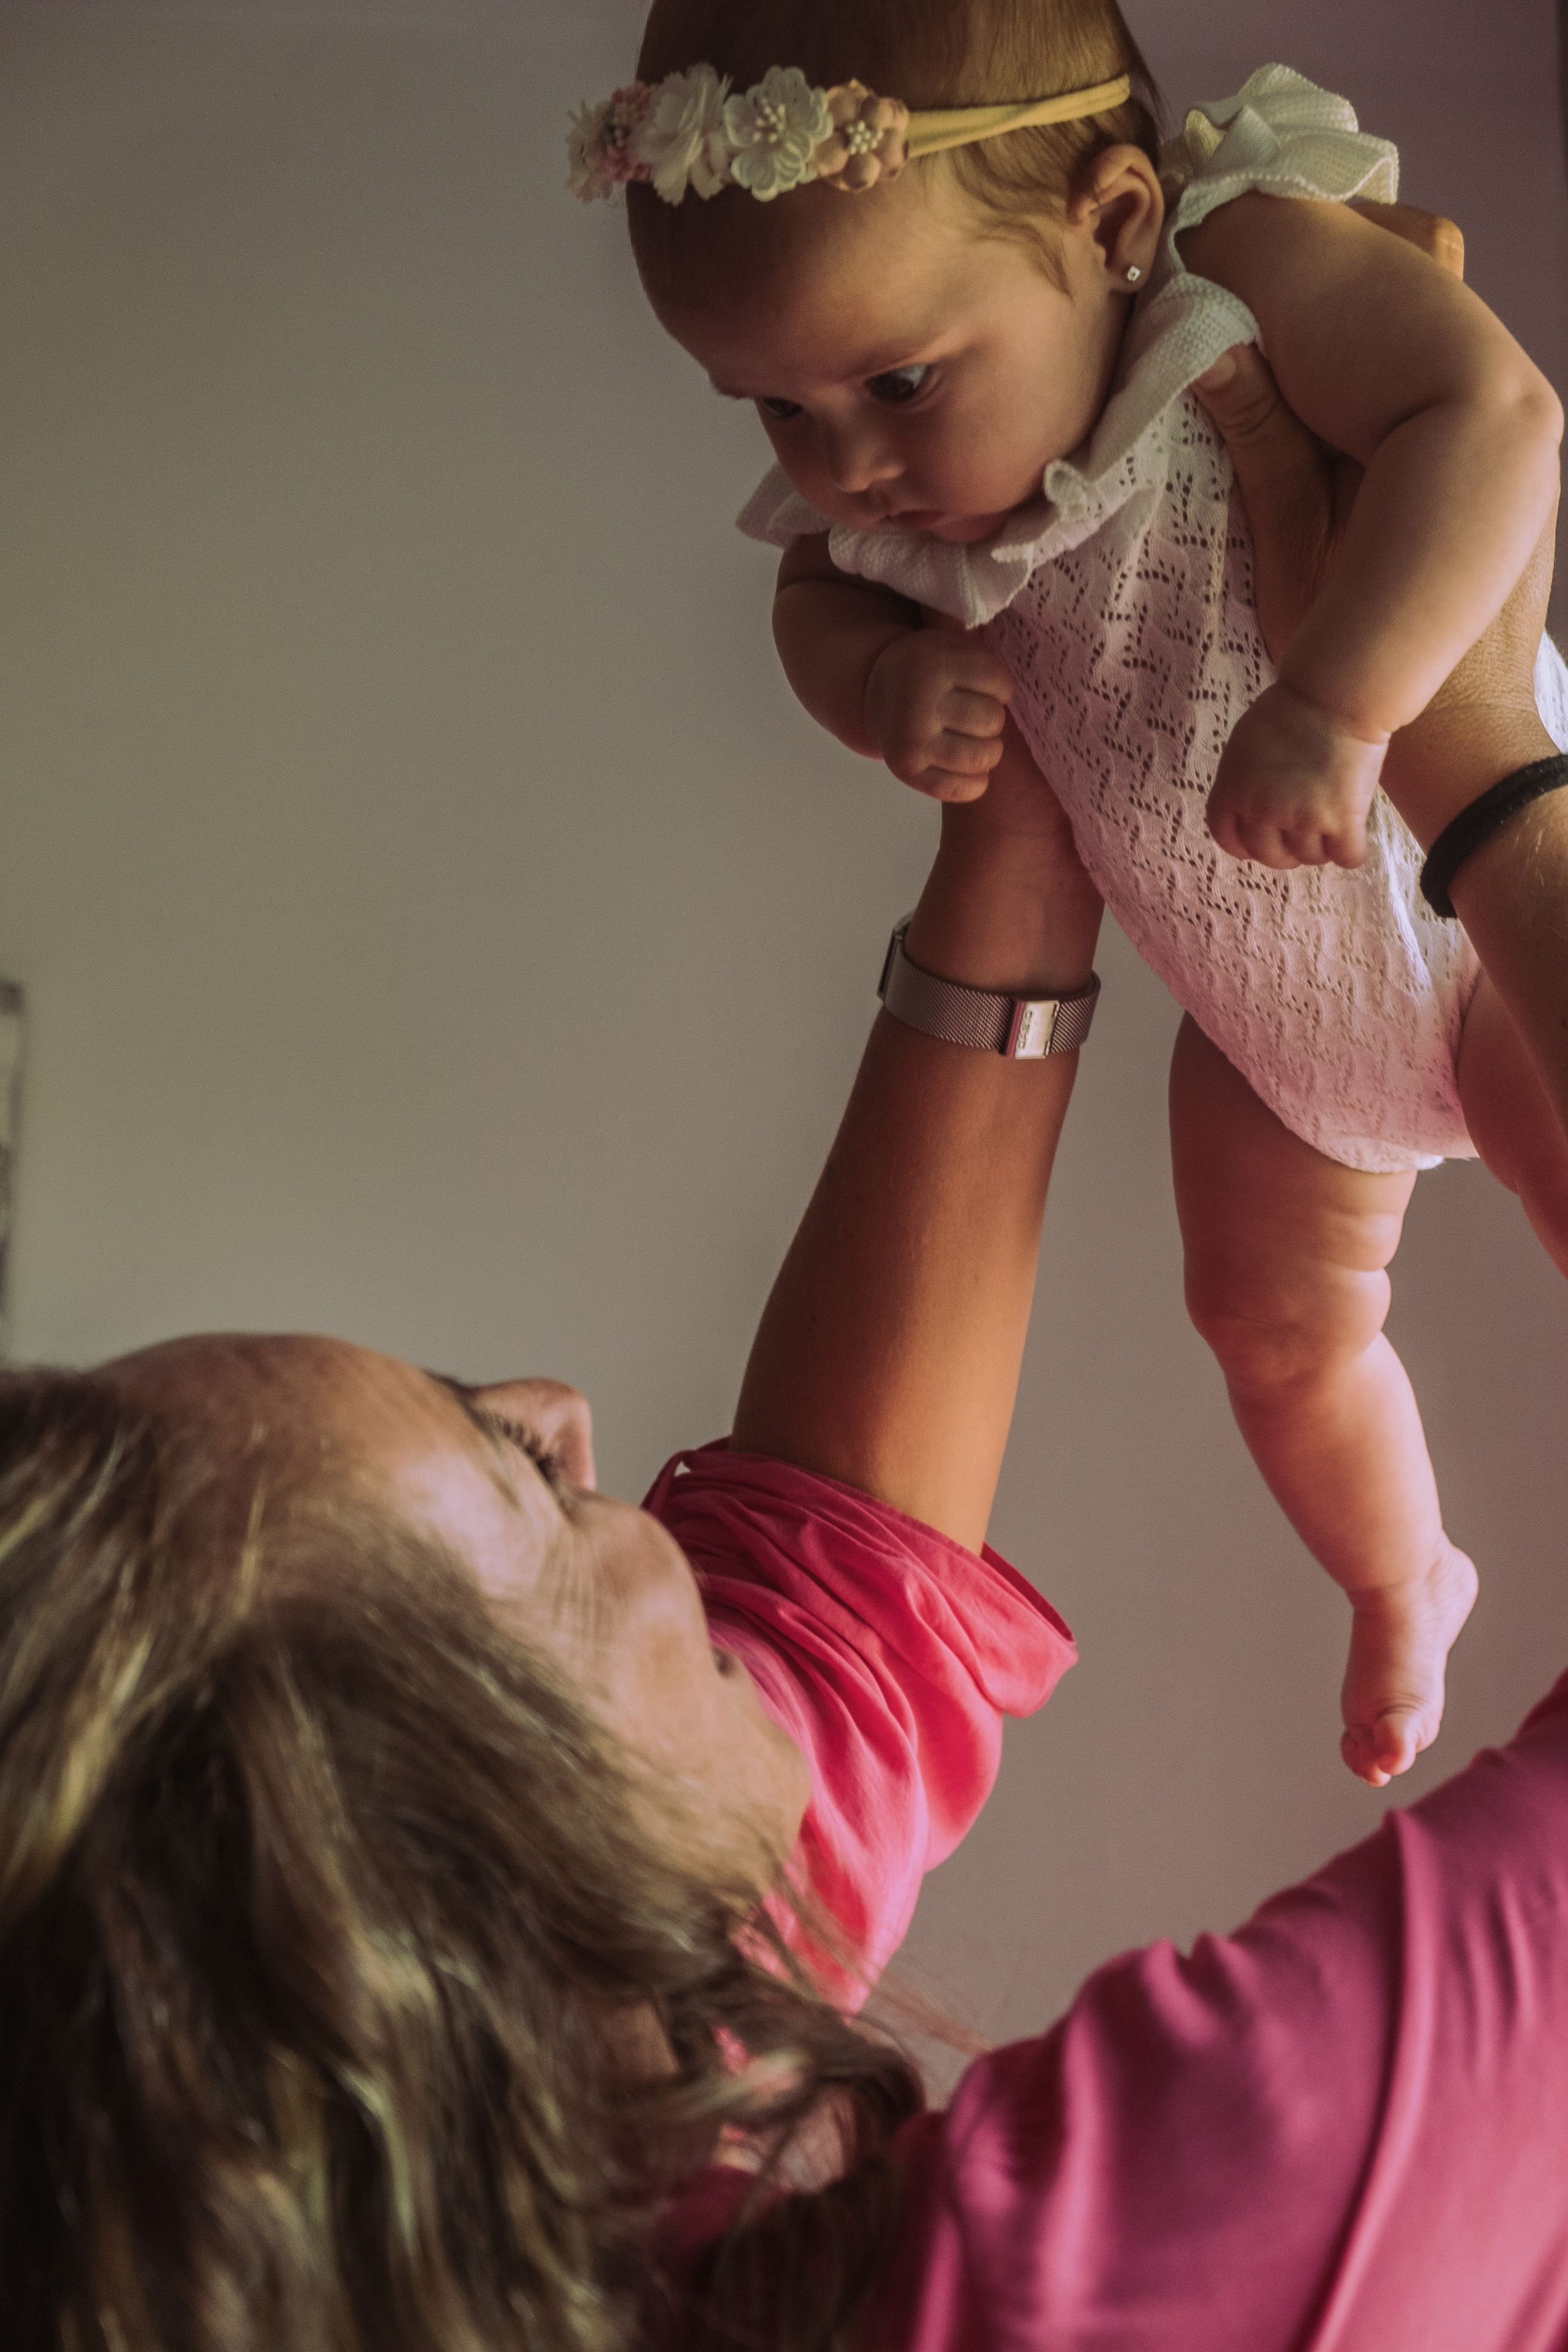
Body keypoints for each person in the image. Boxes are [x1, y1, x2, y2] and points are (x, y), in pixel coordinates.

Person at [6, 298, 1568, 2346]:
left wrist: (1033, 742)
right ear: (431, 1919)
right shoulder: (1060, 2282)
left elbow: (835, 1591)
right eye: (510, 1477)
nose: (571, 1414)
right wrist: (1474, 771)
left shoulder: (566, 2184)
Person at [568, 0, 1568, 1787]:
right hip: (1278, 1036)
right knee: (1273, 1331)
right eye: (770, 410)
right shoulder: (904, 504)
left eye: (893, 385)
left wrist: (1343, 698)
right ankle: (1408, 1572)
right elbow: (814, 598)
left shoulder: (1231, 270)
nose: (840, 466)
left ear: (1111, 223)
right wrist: (876, 688)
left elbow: (1489, 412)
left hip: (1458, 913)